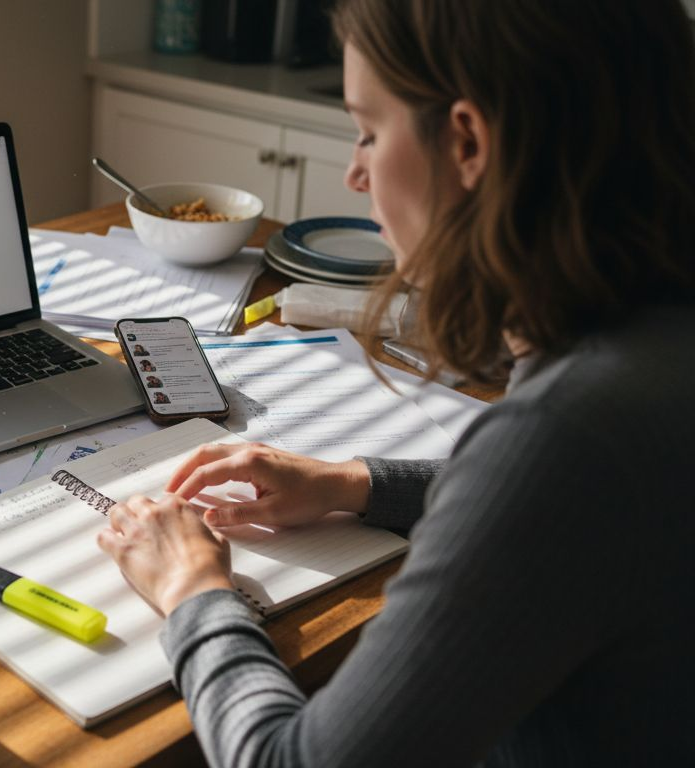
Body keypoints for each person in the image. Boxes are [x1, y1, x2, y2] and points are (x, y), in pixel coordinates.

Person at [97, 1, 695, 765]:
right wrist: (357, 483)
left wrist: (193, 591)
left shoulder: (567, 437)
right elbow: (577, 506)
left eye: (370, 133)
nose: (354, 172)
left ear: (468, 141)